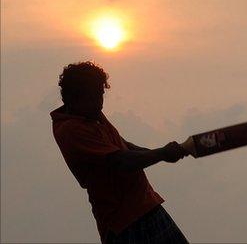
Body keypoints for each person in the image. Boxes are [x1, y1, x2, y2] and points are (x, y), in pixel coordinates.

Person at [51, 61, 189, 244]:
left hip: (147, 207)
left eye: (100, 96)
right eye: (93, 98)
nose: (99, 104)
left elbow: (123, 146)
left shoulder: (91, 114)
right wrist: (162, 154)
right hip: (125, 225)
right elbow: (121, 161)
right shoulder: (71, 129)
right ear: (73, 98)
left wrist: (164, 153)